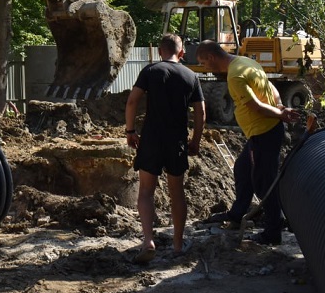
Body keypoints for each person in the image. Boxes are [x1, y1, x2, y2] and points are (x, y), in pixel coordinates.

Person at [195, 40, 300, 245]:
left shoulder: (235, 75)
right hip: (262, 132)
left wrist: (280, 113)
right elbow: (270, 86)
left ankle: (273, 231)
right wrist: (279, 106)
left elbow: (257, 107)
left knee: (264, 182)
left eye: (204, 63)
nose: (205, 67)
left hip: (264, 132)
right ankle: (237, 214)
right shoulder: (245, 62)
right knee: (242, 170)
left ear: (211, 57)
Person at [125, 34, 205, 264]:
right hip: (177, 140)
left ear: (160, 52)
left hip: (151, 139)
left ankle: (148, 240)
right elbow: (200, 112)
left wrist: (130, 131)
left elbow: (132, 101)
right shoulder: (191, 75)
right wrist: (196, 141)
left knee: (146, 192)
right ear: (181, 53)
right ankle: (178, 245)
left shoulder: (151, 71)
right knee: (176, 193)